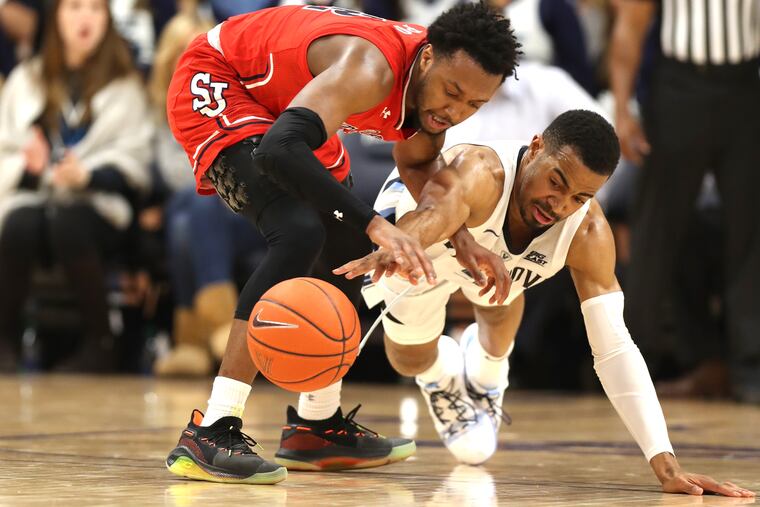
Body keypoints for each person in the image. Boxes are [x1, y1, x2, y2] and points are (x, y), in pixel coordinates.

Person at [165, 3, 520, 484]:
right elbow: (277, 150)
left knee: (350, 249)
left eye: (472, 106)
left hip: (290, 105)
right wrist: (377, 224)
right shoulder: (371, 68)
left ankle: (316, 425)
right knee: (298, 232)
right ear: (429, 56)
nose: (453, 111)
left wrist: (463, 238)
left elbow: (418, 165)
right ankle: (212, 428)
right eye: (452, 93)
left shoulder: (435, 93)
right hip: (222, 79)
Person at [336, 110, 755, 498]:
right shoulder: (482, 174)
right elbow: (431, 212)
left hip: (489, 269)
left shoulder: (587, 230)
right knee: (408, 359)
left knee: (505, 286)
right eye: (556, 181)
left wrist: (665, 464)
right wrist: (400, 244)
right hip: (425, 247)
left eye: (580, 196)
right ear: (536, 147)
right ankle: (443, 375)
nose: (560, 205)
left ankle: (487, 376)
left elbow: (614, 348)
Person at [610, 0, 760, 402]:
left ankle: (750, 370)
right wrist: (623, 108)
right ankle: (632, 365)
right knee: (657, 228)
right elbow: (631, 20)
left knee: (750, 231)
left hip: (745, 87)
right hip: (678, 86)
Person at [0, 0, 152, 372]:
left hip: (98, 207)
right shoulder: (28, 78)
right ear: (57, 19)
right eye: (75, 8)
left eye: (96, 9)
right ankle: (5, 343)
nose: (85, 18)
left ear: (107, 20)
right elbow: (6, 149)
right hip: (35, 195)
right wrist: (32, 168)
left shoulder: (125, 85)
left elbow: (136, 164)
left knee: (68, 221)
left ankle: (100, 343)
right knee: (20, 222)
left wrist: (88, 176)